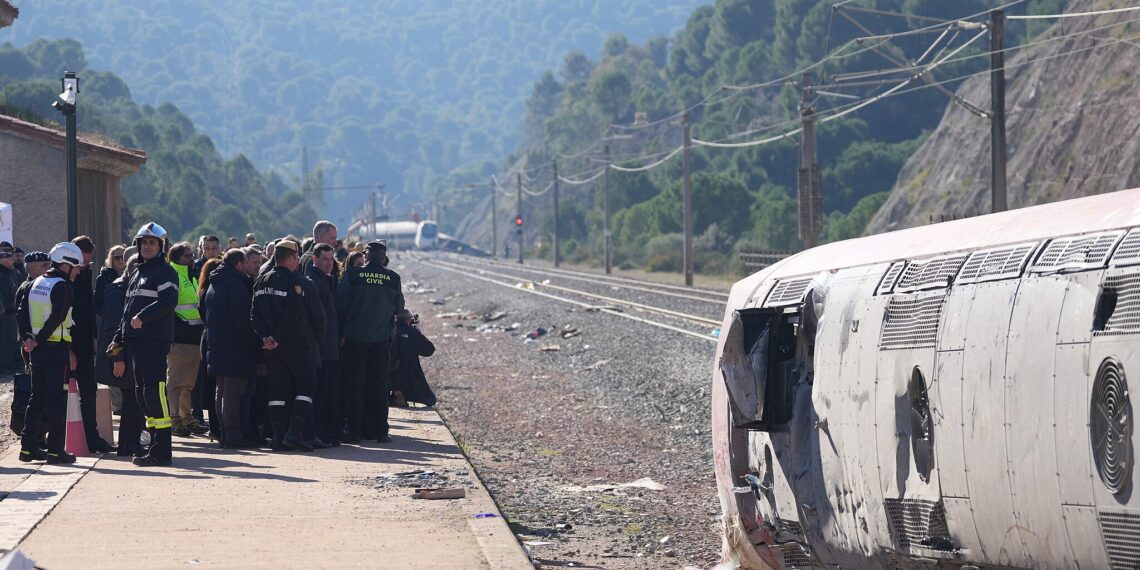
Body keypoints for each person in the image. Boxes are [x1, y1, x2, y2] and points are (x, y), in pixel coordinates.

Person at [111, 222, 179, 467]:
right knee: (142, 394)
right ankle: (154, 445)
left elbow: (169, 300)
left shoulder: (165, 271)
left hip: (154, 340)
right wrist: (118, 338)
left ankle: (162, 451)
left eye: (152, 242)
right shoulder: (137, 272)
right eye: (144, 242)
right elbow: (127, 311)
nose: (147, 246)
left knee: (155, 392)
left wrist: (144, 317)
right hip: (135, 341)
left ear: (161, 246)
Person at [251, 239, 325, 451]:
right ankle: (294, 433)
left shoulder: (261, 281)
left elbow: (254, 314)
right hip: (294, 344)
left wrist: (265, 337)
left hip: (271, 348)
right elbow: (292, 315)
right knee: (308, 384)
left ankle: (277, 437)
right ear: (292, 257)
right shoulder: (295, 282)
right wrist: (278, 337)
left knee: (278, 389)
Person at [16, 242, 83, 464]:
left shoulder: (36, 282)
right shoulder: (63, 287)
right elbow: (56, 318)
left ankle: (27, 448)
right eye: (76, 267)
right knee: (56, 401)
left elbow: (21, 312)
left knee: (36, 399)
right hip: (56, 351)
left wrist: (28, 338)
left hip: (38, 352)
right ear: (65, 265)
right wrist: (37, 339)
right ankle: (55, 451)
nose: (78, 271)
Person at [337, 240, 403, 443]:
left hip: (355, 338)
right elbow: (399, 309)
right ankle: (380, 430)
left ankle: (355, 431)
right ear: (383, 258)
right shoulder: (393, 278)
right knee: (379, 386)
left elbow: (341, 304)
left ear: (365, 255)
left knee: (355, 385)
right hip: (381, 339)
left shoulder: (352, 275)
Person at [204, 249, 260, 448]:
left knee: (222, 391)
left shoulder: (214, 283)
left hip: (217, 345)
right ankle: (234, 435)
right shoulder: (236, 285)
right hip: (235, 347)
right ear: (239, 264)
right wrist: (254, 340)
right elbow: (242, 319)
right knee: (233, 393)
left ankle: (226, 432)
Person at [70, 236, 114, 453]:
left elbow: (88, 310)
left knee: (89, 392)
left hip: (85, 344)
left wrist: (93, 337)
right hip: (68, 345)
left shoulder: (85, 275)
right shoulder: (63, 279)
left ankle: (91, 437)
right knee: (59, 394)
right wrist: (68, 349)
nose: (84, 267)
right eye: (83, 262)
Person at [99, 254, 145, 457]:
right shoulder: (118, 289)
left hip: (132, 351)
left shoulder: (128, 288)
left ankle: (128, 443)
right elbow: (113, 327)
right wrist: (118, 357)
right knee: (132, 401)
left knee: (133, 401)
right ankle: (129, 443)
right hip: (124, 354)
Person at [165, 242, 206, 437]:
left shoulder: (189, 275)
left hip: (193, 337)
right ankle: (174, 419)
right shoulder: (173, 274)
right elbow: (170, 308)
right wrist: (181, 329)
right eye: (188, 256)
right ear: (177, 257)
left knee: (188, 383)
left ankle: (186, 418)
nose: (192, 259)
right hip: (180, 338)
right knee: (175, 383)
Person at [9, 251, 49, 436]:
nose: (49, 269)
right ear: (32, 268)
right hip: (32, 344)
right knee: (36, 391)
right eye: (44, 265)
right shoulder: (30, 286)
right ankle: (35, 433)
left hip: (34, 342)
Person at [305, 243, 339, 447]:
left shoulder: (328, 280)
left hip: (330, 346)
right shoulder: (313, 281)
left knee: (328, 392)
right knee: (319, 392)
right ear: (314, 259)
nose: (328, 263)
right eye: (324, 259)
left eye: (331, 259)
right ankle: (317, 432)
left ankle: (326, 431)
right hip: (321, 348)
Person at [391, 309, 437, 407]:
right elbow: (429, 350)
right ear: (408, 319)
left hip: (387, 377)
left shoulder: (388, 330)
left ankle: (395, 395)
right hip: (408, 377)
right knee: (431, 400)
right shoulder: (410, 332)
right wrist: (416, 334)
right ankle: (400, 395)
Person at [94, 245, 126, 320]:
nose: (120, 260)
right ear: (111, 260)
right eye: (117, 258)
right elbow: (97, 303)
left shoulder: (134, 275)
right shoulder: (103, 278)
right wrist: (110, 314)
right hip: (111, 323)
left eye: (123, 257)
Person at [0, 246, 18, 373]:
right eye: (9, 258)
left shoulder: (8, 273)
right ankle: (4, 366)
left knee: (10, 339)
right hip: (5, 313)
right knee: (5, 340)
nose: (12, 260)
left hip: (10, 311)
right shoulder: (2, 274)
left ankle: (8, 364)